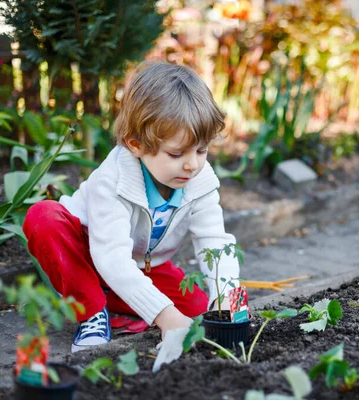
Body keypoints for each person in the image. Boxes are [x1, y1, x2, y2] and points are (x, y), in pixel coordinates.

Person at [23, 62, 240, 352]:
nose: (192, 164)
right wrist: (165, 316)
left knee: (198, 306)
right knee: (43, 217)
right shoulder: (113, 180)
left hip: (139, 265)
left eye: (201, 150)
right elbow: (111, 258)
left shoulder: (200, 181)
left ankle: (114, 300)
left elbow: (213, 241)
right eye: (176, 153)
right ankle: (91, 311)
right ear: (135, 144)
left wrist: (227, 296)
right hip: (87, 256)